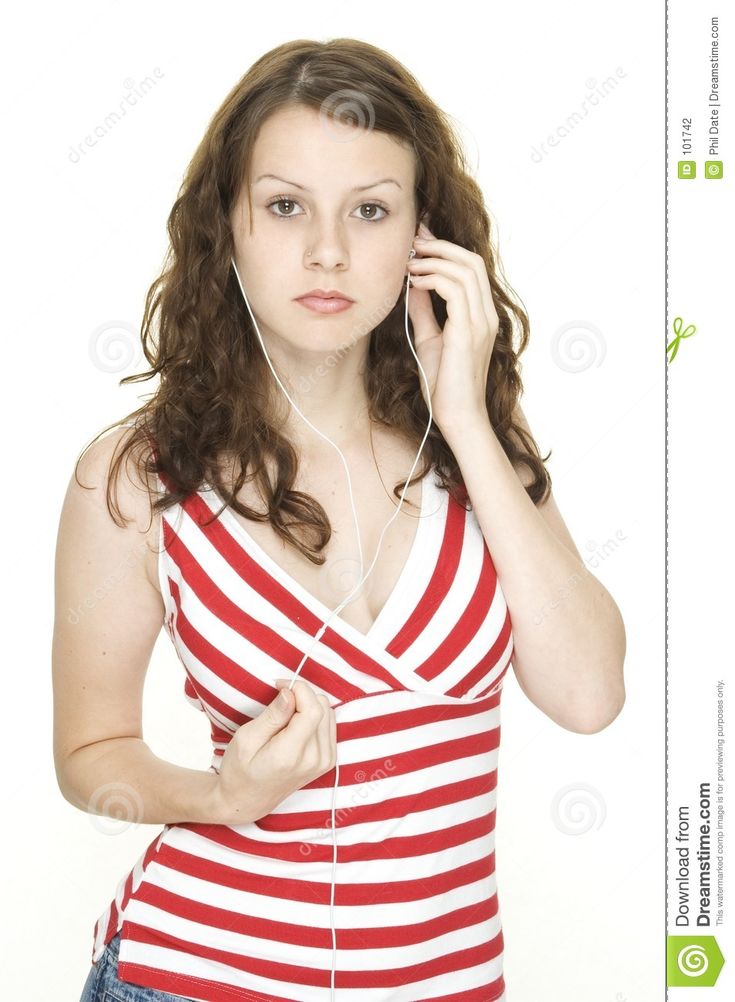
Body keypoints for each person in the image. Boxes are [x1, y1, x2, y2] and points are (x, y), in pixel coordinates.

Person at [54, 36, 625, 1002]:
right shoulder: (138, 475)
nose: (328, 251)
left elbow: (586, 695)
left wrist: (469, 424)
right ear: (225, 229)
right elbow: (87, 755)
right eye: (285, 207)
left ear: (425, 236)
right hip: (193, 978)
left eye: (370, 211)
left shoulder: (477, 448)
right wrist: (224, 796)